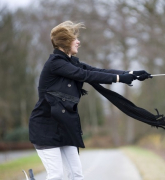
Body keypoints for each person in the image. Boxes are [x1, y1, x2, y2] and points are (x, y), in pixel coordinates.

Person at [29, 21, 151, 180]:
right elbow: (86, 76)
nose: (78, 42)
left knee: (76, 175)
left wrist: (131, 73)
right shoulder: (55, 64)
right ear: (65, 42)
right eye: (74, 39)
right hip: (46, 127)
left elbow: (98, 71)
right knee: (56, 175)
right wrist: (119, 78)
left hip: (65, 126)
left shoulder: (72, 62)